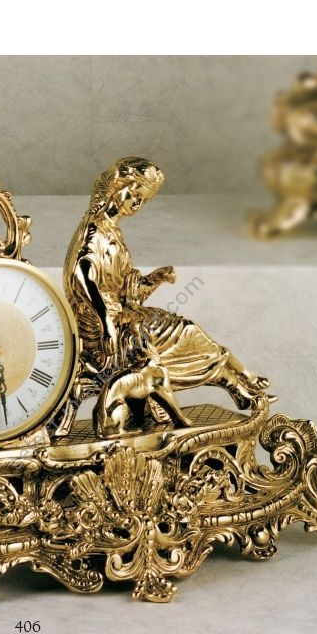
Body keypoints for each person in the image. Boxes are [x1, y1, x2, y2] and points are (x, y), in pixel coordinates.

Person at [57, 156, 268, 436]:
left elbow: (128, 291)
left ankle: (237, 382)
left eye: (143, 201)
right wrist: (107, 323)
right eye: (134, 194)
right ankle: (233, 382)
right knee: (185, 333)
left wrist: (154, 279)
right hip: (105, 328)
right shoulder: (94, 229)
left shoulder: (112, 230)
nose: (136, 204)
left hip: (123, 316)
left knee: (185, 329)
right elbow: (81, 274)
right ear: (117, 186)